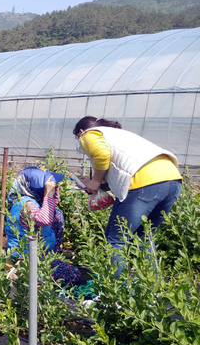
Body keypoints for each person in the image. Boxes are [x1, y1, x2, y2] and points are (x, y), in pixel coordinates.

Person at [73, 116, 182, 277]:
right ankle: (151, 293)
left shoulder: (89, 134)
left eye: (76, 137)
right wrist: (94, 182)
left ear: (80, 131)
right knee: (143, 237)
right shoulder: (119, 135)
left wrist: (95, 181)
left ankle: (117, 296)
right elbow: (121, 168)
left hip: (144, 183)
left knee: (116, 241)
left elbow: (102, 154)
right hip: (172, 180)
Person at [5, 166, 81, 286]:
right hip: (27, 257)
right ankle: (25, 275)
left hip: (39, 252)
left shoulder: (31, 198)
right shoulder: (27, 205)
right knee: (72, 274)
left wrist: (52, 192)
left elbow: (51, 207)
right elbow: (45, 220)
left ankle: (42, 265)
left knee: (57, 214)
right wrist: (48, 194)